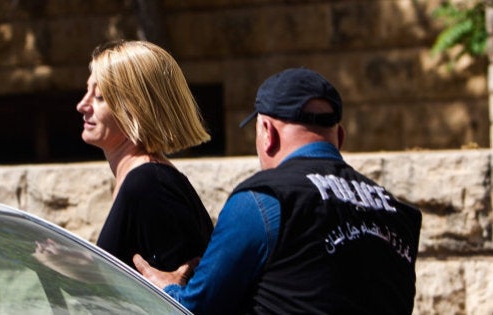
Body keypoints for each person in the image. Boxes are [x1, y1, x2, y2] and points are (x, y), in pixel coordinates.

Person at [134, 67, 422, 314]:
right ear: (340, 137)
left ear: (268, 133)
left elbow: (195, 308)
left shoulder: (264, 200)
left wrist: (163, 290)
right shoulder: (398, 212)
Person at [72, 39, 214, 272]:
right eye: (87, 93)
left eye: (99, 97)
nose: (81, 105)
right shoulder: (143, 178)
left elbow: (180, 289)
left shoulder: (148, 184)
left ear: (135, 109)